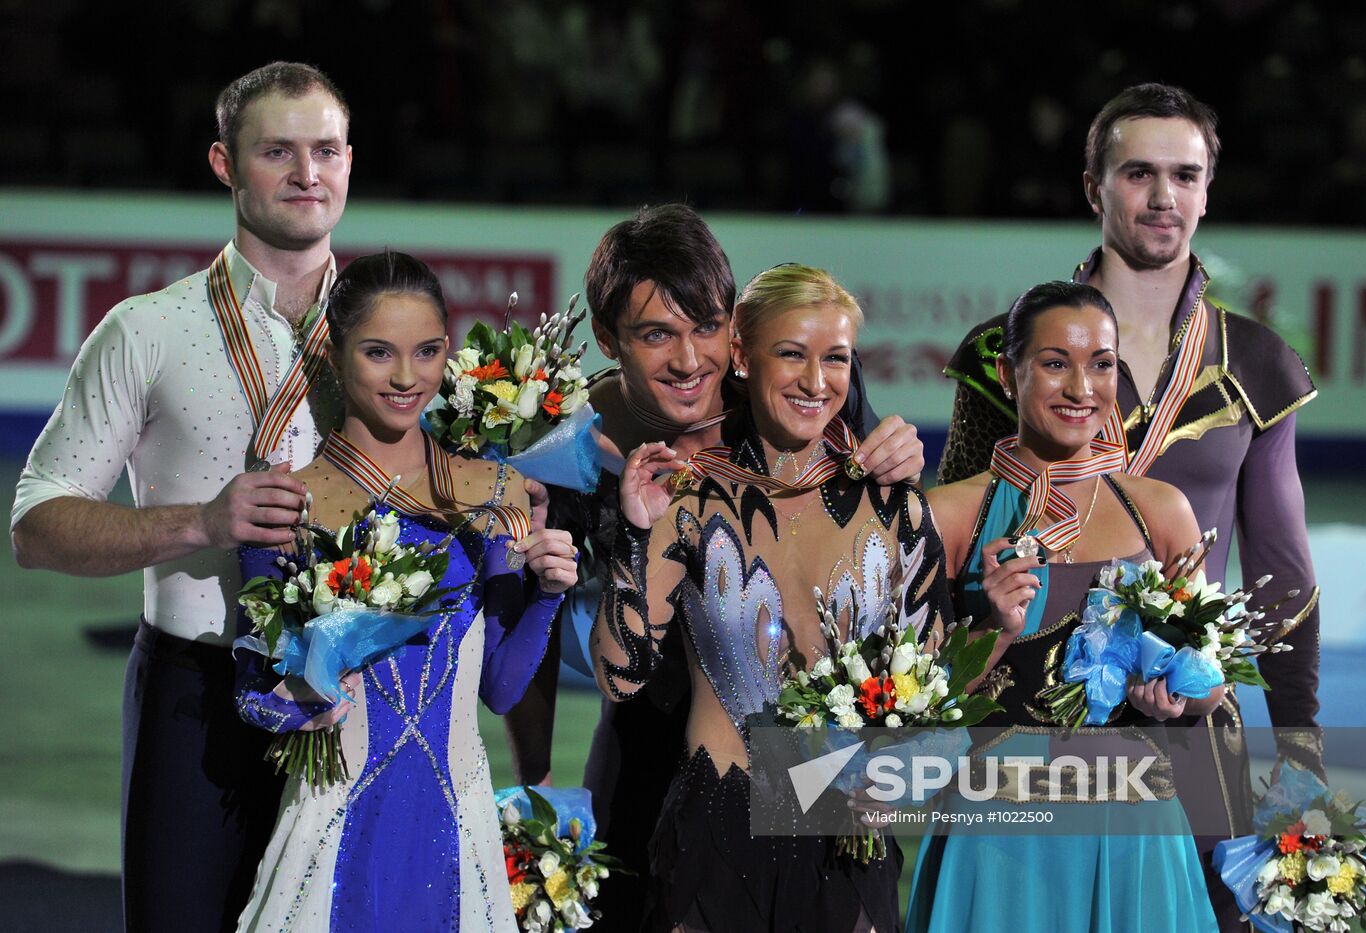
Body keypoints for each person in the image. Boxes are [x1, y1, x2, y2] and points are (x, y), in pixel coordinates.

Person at [934, 84, 1320, 930]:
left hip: (1187, 726)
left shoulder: (1255, 361)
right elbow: (942, 566)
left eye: (1185, 175)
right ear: (1092, 185)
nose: (1162, 196)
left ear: (1209, 190)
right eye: (1138, 172)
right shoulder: (1007, 353)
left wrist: (1302, 757)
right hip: (1019, 740)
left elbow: (1284, 581)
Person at [502, 203, 928, 928]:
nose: (689, 359)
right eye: (656, 334)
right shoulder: (564, 448)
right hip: (641, 757)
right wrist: (538, 776)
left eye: (706, 327)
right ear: (608, 338)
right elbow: (532, 624)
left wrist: (895, 458)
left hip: (800, 769)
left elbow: (876, 539)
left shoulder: (787, 389)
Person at [10, 62, 353, 932]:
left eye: (324, 150)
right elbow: (36, 524)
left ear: (349, 160)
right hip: (192, 699)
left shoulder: (393, 335)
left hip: (354, 696)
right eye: (277, 151)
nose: (307, 174)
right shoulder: (147, 330)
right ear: (223, 163)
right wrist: (201, 522)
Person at [592, 263, 953, 932]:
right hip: (714, 833)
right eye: (792, 354)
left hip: (844, 835)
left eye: (836, 358)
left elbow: (932, 683)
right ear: (740, 356)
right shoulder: (692, 499)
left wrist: (893, 775)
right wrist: (637, 540)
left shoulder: (895, 507)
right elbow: (621, 673)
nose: (817, 382)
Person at [233, 251, 576, 930]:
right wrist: (305, 704)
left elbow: (502, 688)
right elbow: (249, 693)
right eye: (378, 352)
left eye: (425, 352)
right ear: (332, 351)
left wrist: (545, 593)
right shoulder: (286, 501)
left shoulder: (493, 488)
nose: (405, 376)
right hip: (330, 821)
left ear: (447, 352)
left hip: (456, 820)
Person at [907, 281, 1221, 932]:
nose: (1082, 388)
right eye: (1055, 363)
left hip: (1134, 816)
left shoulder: (1161, 510)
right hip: (998, 827)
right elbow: (916, 712)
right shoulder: (950, 515)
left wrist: (1179, 698)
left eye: (1101, 364)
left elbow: (1209, 684)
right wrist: (991, 629)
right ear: (1007, 371)